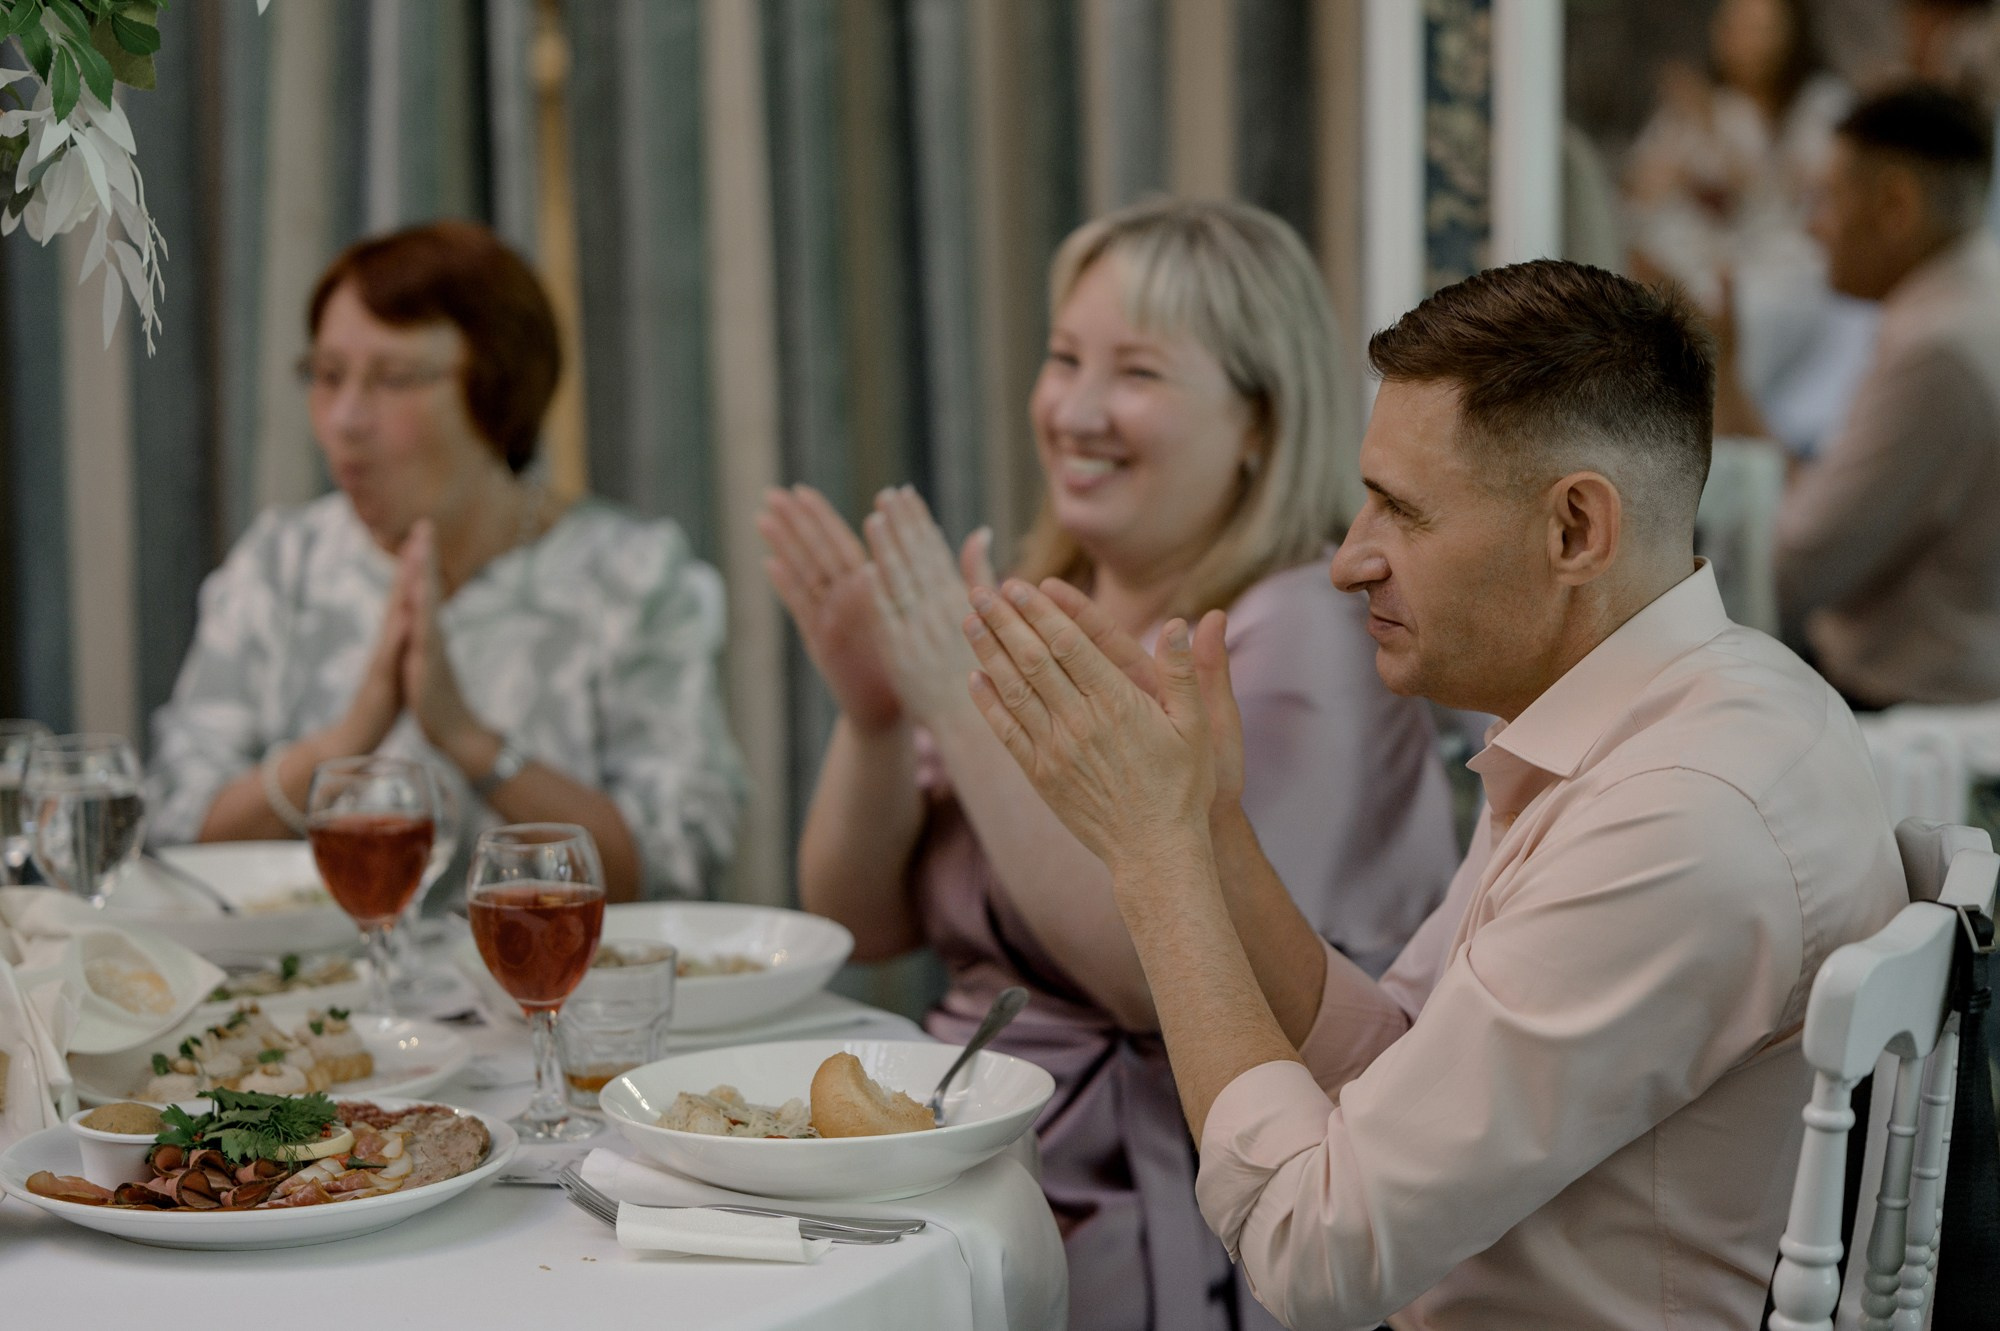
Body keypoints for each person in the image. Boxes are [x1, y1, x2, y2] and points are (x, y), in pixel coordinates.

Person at [958, 259, 1906, 1329]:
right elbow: (1399, 1053)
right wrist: (1213, 825)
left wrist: (1152, 855)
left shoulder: (1677, 820)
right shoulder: (1695, 704)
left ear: (1574, 530)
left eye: (1400, 511)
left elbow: (1312, 1253)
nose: (1348, 561)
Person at [761, 199, 1457, 1331]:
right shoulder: (1048, 603)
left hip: (1158, 1209)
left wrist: (950, 699)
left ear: (1257, 420)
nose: (1075, 411)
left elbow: (1155, 972)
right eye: (1062, 358)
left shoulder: (1297, 633)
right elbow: (861, 920)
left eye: (1134, 372)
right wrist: (877, 714)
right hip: (957, 1159)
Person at [147, 220, 745, 903]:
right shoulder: (282, 565)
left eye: (394, 378)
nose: (345, 419)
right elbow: (176, 836)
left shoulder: (630, 575)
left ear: (496, 391)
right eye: (328, 376)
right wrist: (342, 745)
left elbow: (676, 861)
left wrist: (470, 740)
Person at [1732, 85, 2000, 706]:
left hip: (1911, 702)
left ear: (1895, 205)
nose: (1813, 228)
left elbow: (1790, 572)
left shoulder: (1939, 351)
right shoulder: (1972, 298)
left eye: (1827, 198)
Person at [1625, 0, 1876, 459]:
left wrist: (1715, 133)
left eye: (1759, 28)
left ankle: (1719, 402)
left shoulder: (1821, 104)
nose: (1742, 41)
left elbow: (1800, 196)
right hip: (1707, 253)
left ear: (1791, 33)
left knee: (1746, 310)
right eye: (1734, 26)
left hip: (1785, 263)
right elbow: (1644, 186)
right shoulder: (1710, 103)